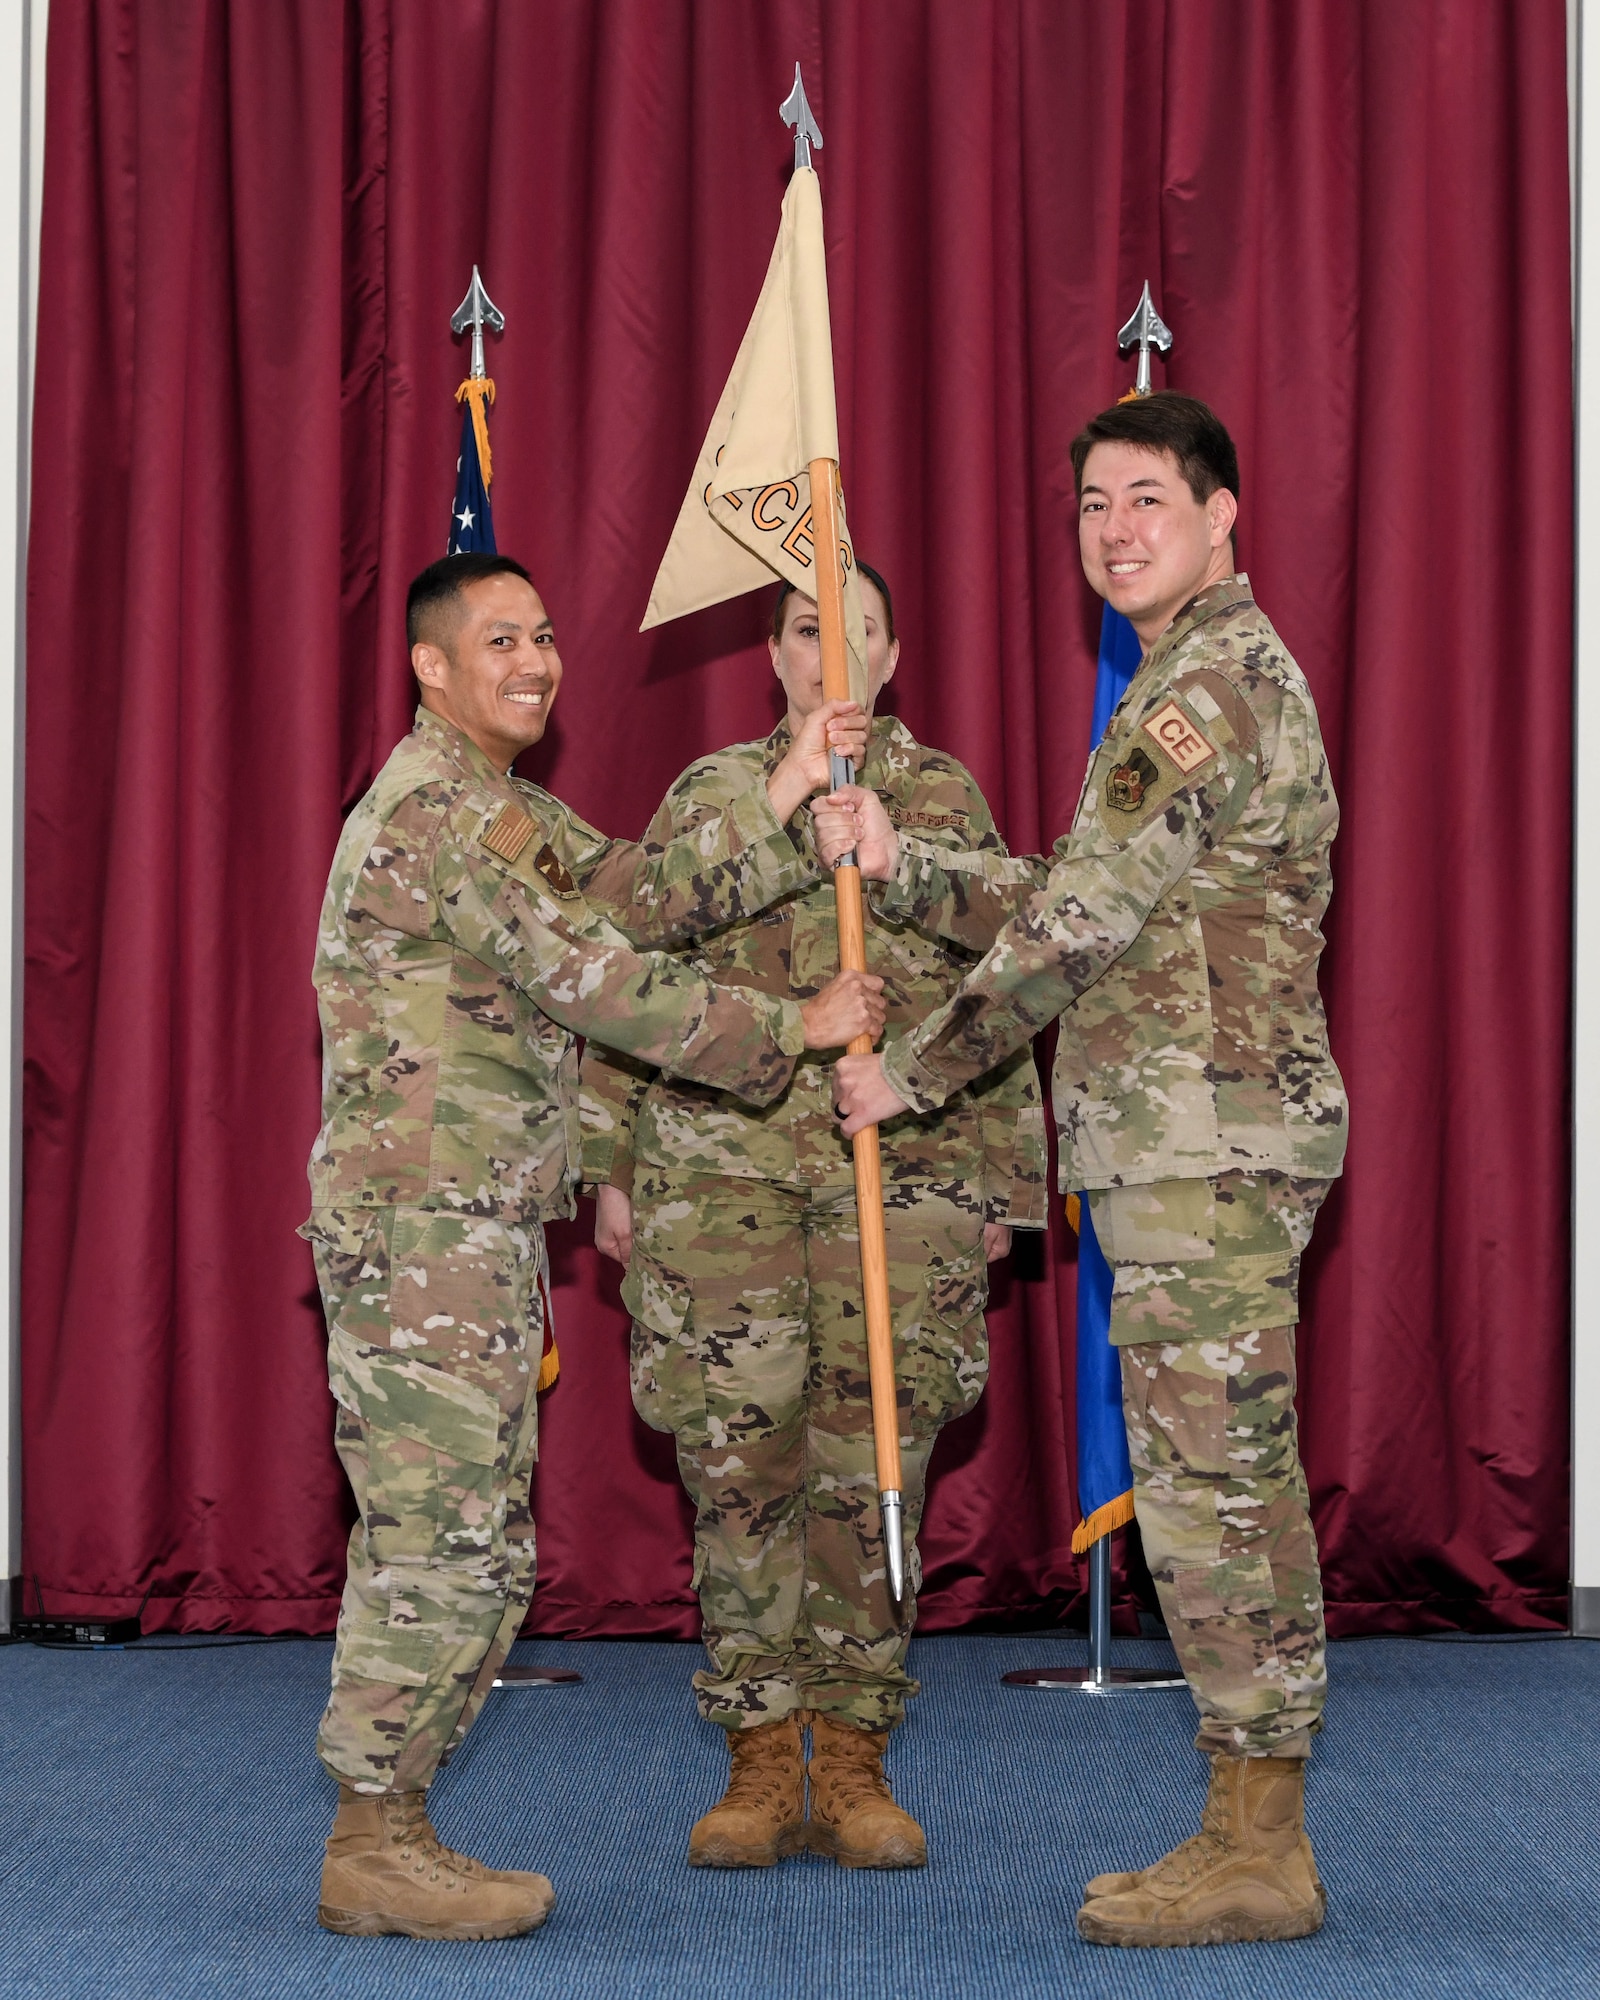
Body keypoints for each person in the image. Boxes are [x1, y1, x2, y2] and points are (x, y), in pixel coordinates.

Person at [822, 394, 1346, 1947]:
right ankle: (1243, 1825)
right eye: (1092, 506)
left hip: (1209, 1145)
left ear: (1224, 510)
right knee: (1210, 1488)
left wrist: (906, 1076)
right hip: (1191, 1140)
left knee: (1217, 1499)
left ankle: (1265, 1847)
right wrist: (911, 865)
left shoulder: (1206, 692)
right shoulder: (1191, 679)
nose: (1115, 529)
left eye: (1148, 499)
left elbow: (1077, 931)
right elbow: (1083, 889)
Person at [304, 551, 884, 1940]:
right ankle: (371, 1838)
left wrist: (790, 784)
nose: (536, 661)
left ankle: (399, 1824)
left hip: (476, 1224)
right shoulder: (441, 816)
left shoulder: (498, 809)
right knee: (436, 1544)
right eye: (499, 640)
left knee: (483, 1546)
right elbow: (598, 978)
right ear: (429, 668)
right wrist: (784, 1029)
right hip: (422, 1230)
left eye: (547, 636)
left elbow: (629, 891)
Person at [580, 564, 1048, 1873]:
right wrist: (608, 1161)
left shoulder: (941, 796)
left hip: (901, 1195)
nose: (829, 652)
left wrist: (1005, 1184)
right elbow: (632, 965)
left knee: (870, 1478)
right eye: (804, 630)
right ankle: (752, 1763)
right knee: (738, 1478)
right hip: (719, 1196)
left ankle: (850, 1765)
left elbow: (1005, 985)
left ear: (894, 653)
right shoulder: (711, 794)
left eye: (856, 630)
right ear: (772, 653)